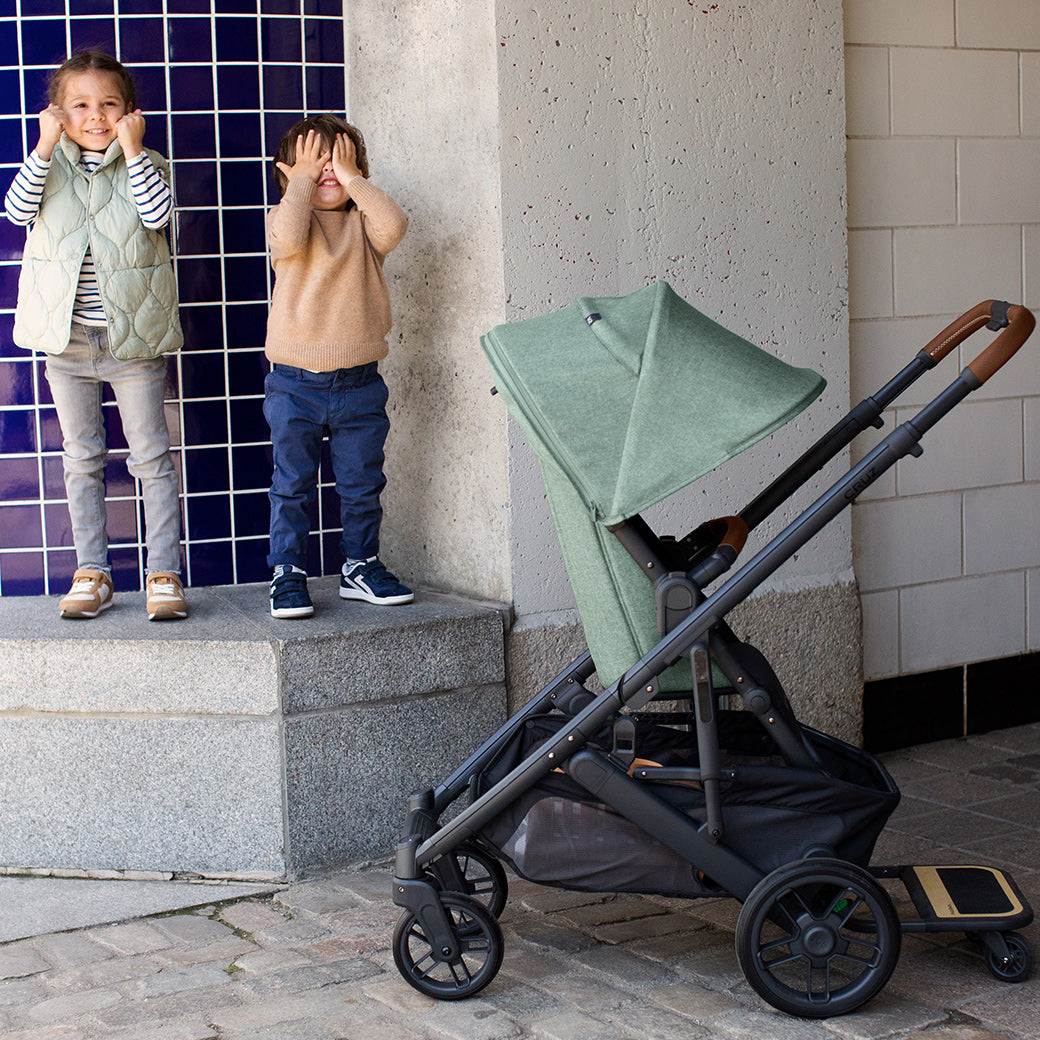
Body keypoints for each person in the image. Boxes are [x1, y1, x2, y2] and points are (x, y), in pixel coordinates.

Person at [4, 50, 187, 621]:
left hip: (132, 342)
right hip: (68, 344)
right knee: (81, 457)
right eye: (80, 105)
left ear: (129, 111)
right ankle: (93, 571)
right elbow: (15, 212)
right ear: (58, 112)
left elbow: (158, 218)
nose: (95, 116)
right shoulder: (47, 163)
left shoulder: (148, 162)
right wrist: (41, 145)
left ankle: (164, 573)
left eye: (109, 104)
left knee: (151, 456)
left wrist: (132, 148)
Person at [264, 113, 413, 618]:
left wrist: (352, 179)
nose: (327, 169)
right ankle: (287, 571)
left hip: (360, 383)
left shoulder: (364, 227)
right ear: (289, 174)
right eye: (314, 160)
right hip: (294, 385)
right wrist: (301, 182)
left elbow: (395, 224)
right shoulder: (288, 221)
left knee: (362, 482)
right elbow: (284, 237)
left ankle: (360, 565)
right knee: (292, 483)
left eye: (338, 159)